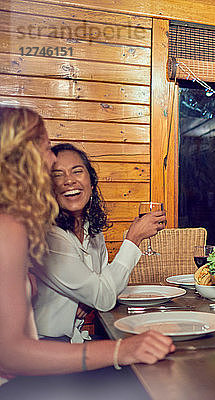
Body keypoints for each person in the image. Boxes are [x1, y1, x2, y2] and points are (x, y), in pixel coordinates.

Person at [0, 106, 173, 388]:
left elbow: (100, 288)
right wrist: (121, 350)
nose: (52, 157)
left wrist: (84, 297)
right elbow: (10, 354)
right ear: (24, 157)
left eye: (77, 171)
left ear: (91, 180)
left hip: (57, 350)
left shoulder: (81, 228)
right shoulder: (15, 228)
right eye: (45, 147)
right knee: (143, 384)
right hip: (26, 373)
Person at [31, 143, 166, 343]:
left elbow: (106, 284)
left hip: (76, 339)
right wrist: (133, 238)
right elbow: (104, 296)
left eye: (77, 171)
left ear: (92, 183)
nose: (69, 180)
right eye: (57, 175)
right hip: (44, 346)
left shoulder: (90, 229)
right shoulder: (48, 236)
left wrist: (89, 300)